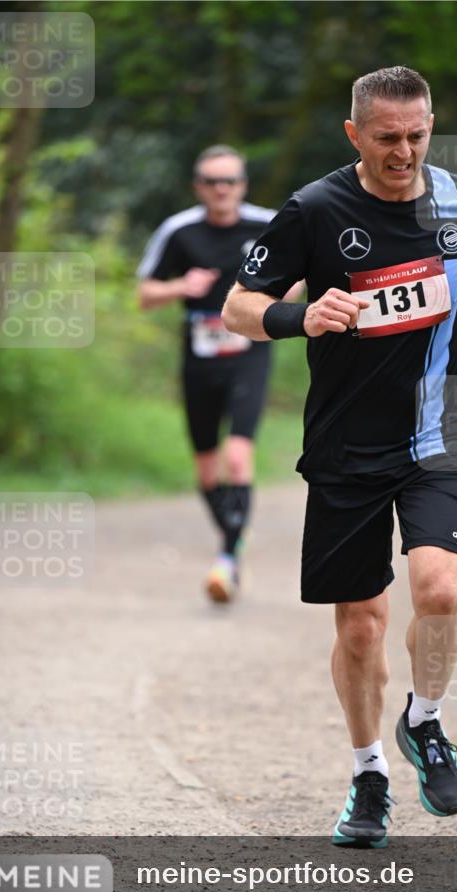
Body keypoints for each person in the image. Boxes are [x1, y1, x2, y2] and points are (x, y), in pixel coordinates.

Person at [222, 67, 457, 846]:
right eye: (386, 138)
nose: (403, 151)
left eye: (416, 134)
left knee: (440, 591)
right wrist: (300, 314)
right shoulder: (315, 210)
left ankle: (425, 721)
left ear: (430, 124)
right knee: (360, 627)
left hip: (440, 428)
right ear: (354, 134)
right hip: (346, 441)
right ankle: (367, 775)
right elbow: (237, 307)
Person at [137, 145, 276, 603]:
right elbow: (145, 294)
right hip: (198, 357)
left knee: (237, 457)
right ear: (199, 187)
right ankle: (235, 539)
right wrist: (181, 286)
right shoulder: (179, 231)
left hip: (249, 352)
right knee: (205, 471)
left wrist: (287, 292)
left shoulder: (268, 224)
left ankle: (227, 559)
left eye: (230, 181)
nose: (222, 189)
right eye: (212, 181)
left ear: (243, 184)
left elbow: (300, 277)